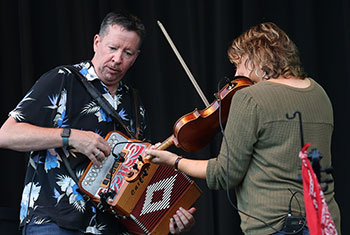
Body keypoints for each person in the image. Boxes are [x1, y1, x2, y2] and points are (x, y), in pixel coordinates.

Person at [0, 11, 195, 235]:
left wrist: (169, 219)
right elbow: (6, 135)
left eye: (128, 53)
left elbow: (139, 178)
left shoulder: (133, 103)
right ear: (97, 42)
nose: (117, 59)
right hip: (55, 221)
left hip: (111, 228)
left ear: (136, 57)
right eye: (112, 48)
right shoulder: (62, 79)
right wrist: (70, 136)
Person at [145, 22, 341, 234]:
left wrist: (174, 161)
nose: (237, 73)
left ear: (255, 56)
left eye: (238, 63)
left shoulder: (249, 98)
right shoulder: (319, 93)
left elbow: (224, 174)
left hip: (275, 225)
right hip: (324, 221)